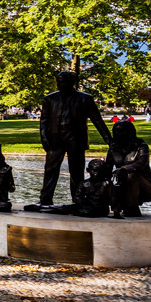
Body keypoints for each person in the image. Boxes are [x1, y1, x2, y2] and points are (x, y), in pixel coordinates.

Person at [37, 69, 109, 208]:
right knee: (50, 170)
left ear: (72, 83)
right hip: (55, 140)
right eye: (58, 82)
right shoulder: (50, 99)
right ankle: (45, 199)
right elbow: (44, 121)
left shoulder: (84, 98)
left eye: (63, 82)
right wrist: (44, 138)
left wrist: (108, 139)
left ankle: (78, 200)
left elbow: (97, 120)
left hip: (75, 139)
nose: (60, 85)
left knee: (76, 171)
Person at [78, 118, 151, 218]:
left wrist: (124, 169)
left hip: (147, 189)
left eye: (121, 131)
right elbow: (107, 170)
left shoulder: (141, 146)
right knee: (106, 181)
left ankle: (131, 208)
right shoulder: (114, 148)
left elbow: (142, 163)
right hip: (122, 183)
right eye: (116, 131)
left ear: (129, 132)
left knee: (131, 176)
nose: (118, 134)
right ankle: (111, 207)